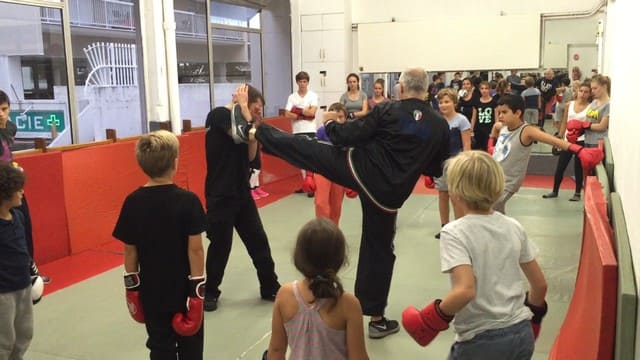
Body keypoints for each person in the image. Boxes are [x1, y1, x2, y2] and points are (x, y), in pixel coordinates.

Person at [227, 68, 450, 339]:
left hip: (360, 171)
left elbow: (348, 135)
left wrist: (330, 125)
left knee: (311, 151)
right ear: (426, 90)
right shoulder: (439, 125)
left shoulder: (388, 111)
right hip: (390, 195)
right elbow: (437, 167)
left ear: (401, 89)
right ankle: (376, 318)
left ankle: (253, 131)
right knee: (379, 249)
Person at [402, 151, 549, 359]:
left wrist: (432, 319)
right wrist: (533, 320)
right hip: (520, 333)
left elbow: (465, 290)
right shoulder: (513, 226)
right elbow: (540, 285)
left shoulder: (454, 232)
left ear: (455, 193)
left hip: (481, 341)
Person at [112, 130, 207, 359]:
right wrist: (197, 294)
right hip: (183, 290)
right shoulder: (189, 201)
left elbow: (130, 250)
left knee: (159, 346)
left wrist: (132, 288)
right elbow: (195, 249)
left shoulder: (132, 202)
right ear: (175, 163)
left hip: (151, 290)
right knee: (191, 346)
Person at [203, 85, 280, 312]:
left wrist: (254, 132)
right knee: (220, 246)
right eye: (257, 108)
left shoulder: (249, 128)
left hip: (242, 194)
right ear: (246, 101)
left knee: (259, 241)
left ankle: (269, 286)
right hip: (220, 195)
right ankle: (210, 291)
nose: (259, 115)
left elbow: (251, 157)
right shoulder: (218, 115)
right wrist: (246, 111)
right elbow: (239, 134)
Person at [266, 218, 369, 360]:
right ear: (340, 260)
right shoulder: (348, 304)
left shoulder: (285, 295)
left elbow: (276, 350)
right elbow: (358, 357)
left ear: (299, 258)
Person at [487, 95, 604, 214]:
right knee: (495, 213)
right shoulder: (502, 127)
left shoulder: (526, 131)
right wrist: (491, 145)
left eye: (504, 112)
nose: (500, 116)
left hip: (508, 182)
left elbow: (553, 140)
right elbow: (495, 128)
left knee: (487, 209)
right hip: (493, 177)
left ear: (517, 113)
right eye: (499, 112)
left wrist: (579, 150)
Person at [0, 90, 50, 285]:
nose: (0, 114)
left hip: (14, 187)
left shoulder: (10, 128)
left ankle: (30, 270)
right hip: (2, 192)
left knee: (23, 227)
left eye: (4, 109)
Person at [0, 163, 34, 360]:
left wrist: (31, 273)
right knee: (4, 340)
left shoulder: (18, 217)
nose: (22, 192)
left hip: (23, 286)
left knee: (24, 334)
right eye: (17, 189)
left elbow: (22, 250)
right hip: (3, 291)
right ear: (5, 194)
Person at [542, 81, 592, 201]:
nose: (583, 94)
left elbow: (589, 125)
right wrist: (559, 137)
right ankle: (555, 190)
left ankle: (577, 193)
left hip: (581, 140)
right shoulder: (569, 105)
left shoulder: (591, 107)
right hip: (567, 140)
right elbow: (564, 122)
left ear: (589, 94)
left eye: (586, 92)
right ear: (577, 91)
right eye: (581, 91)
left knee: (578, 167)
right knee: (560, 166)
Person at [433, 88, 471, 240]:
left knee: (456, 196)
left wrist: (465, 164)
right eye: (441, 102)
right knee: (442, 194)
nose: (443, 105)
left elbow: (466, 145)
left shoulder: (461, 120)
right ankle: (445, 226)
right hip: (441, 162)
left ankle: (459, 228)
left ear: (454, 103)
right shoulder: (437, 120)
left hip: (456, 162)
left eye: (447, 102)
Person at [314, 103, 352, 225]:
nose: (338, 120)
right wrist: (309, 174)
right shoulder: (321, 132)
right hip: (322, 169)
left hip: (339, 171)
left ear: (346, 118)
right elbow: (312, 152)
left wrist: (352, 181)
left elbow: (351, 158)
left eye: (341, 117)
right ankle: (322, 233)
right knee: (321, 203)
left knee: (336, 205)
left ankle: (333, 234)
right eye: (335, 117)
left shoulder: (348, 134)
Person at [284, 71, 319, 197]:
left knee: (310, 158)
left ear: (307, 82)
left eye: (305, 81)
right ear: (297, 82)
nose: (302, 84)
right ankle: (306, 185)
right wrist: (304, 113)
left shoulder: (313, 95)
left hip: (310, 130)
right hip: (297, 130)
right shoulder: (292, 97)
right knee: (300, 159)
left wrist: (297, 110)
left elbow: (312, 113)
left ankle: (312, 186)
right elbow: (287, 114)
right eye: (300, 81)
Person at [566, 74, 611, 151]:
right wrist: (577, 132)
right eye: (592, 88)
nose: (592, 91)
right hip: (587, 140)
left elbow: (602, 126)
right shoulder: (594, 102)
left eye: (595, 88)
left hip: (598, 142)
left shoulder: (608, 104)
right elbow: (587, 120)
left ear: (604, 86)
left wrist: (583, 125)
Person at [472, 81, 496, 152]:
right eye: (482, 88)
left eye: (486, 88)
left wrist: (495, 131)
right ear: (479, 90)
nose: (484, 90)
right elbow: (474, 117)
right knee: (478, 149)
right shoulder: (476, 102)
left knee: (488, 148)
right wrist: (471, 130)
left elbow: (496, 118)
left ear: (489, 90)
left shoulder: (494, 102)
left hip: (489, 129)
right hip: (478, 129)